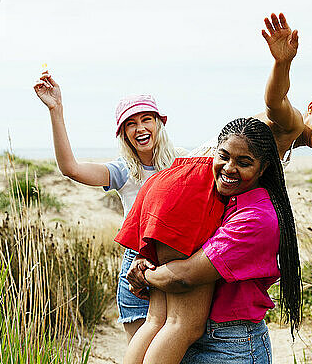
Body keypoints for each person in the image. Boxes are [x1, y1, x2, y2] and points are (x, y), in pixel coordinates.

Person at [116, 118, 300, 364]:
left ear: (263, 168)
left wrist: (145, 272)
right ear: (215, 151)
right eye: (224, 156)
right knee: (180, 324)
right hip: (231, 342)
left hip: (165, 191)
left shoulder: (247, 210)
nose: (229, 168)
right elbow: (183, 277)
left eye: (243, 163)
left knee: (156, 320)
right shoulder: (247, 207)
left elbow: (182, 275)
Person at [33, 73, 178, 342]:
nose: (140, 128)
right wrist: (56, 110)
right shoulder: (124, 170)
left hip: (176, 267)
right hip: (137, 273)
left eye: (146, 119)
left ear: (159, 123)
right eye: (131, 124)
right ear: (123, 134)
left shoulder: (182, 165)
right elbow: (71, 169)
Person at [193, 13, 312, 163]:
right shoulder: (294, 124)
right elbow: (275, 102)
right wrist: (282, 63)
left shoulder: (290, 142)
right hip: (203, 170)